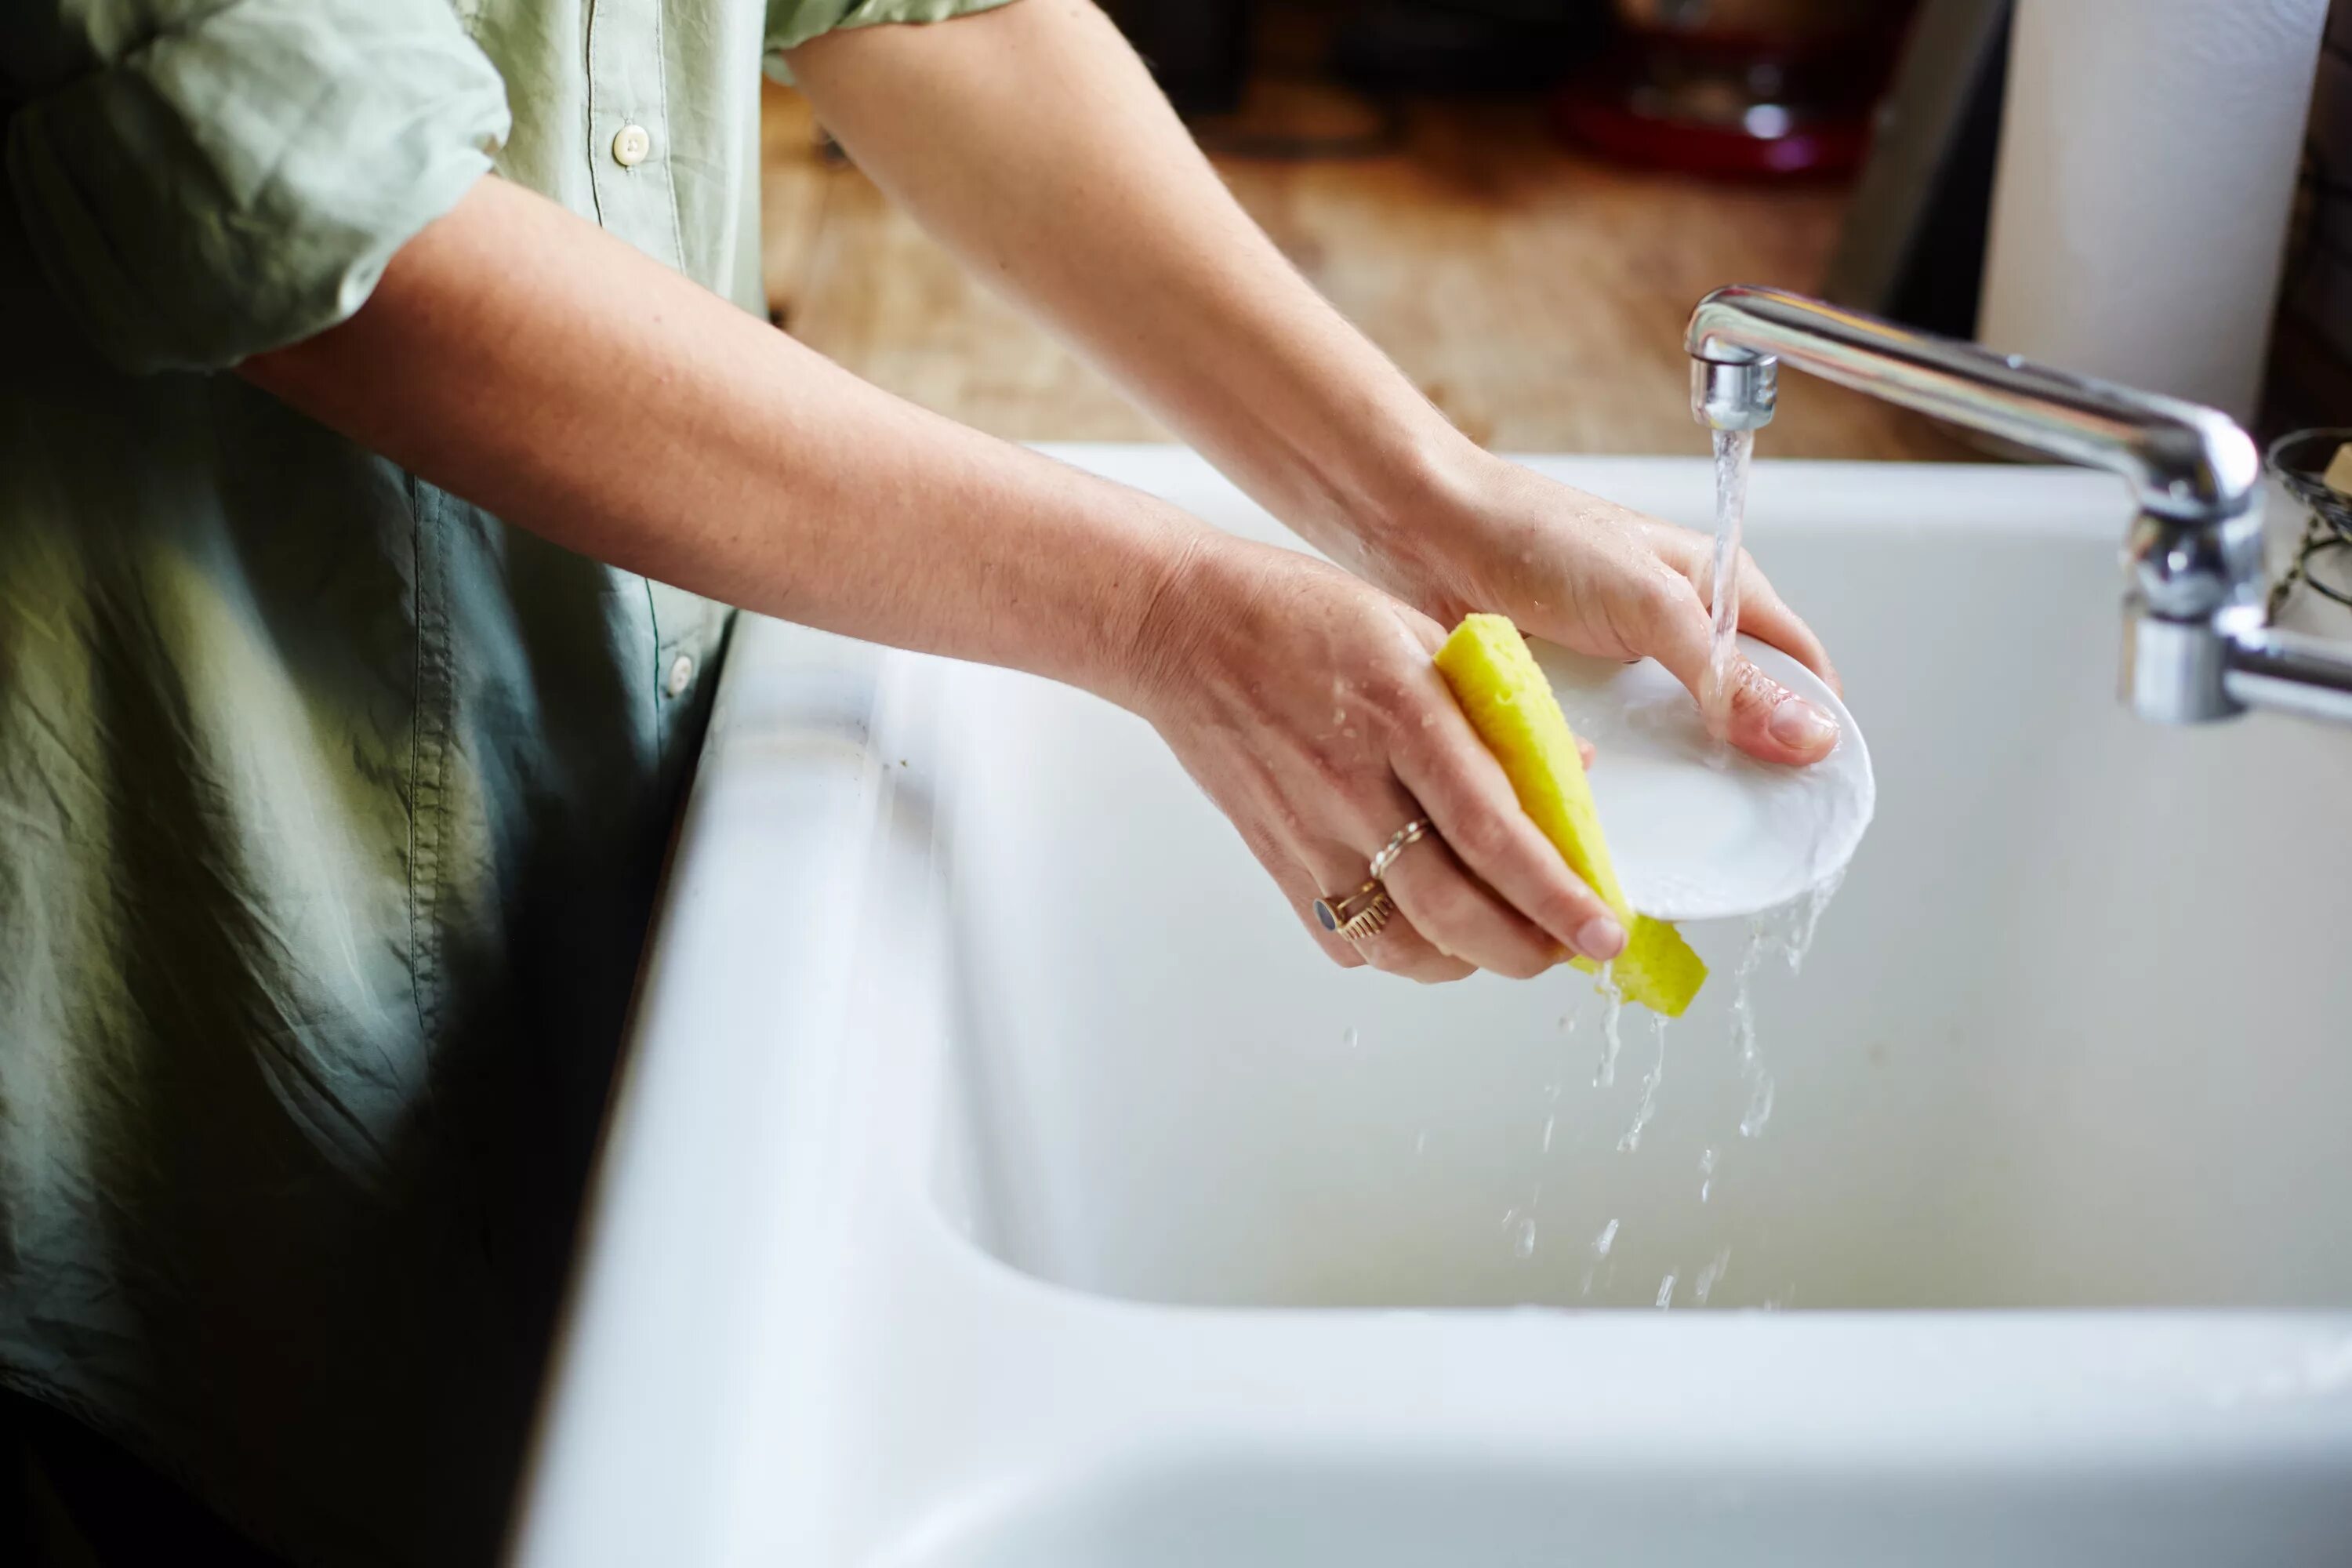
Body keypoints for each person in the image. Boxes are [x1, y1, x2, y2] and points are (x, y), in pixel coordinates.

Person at [0, 1, 1839, 1561]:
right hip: (176, 928)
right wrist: (1171, 616)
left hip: (571, 763)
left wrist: (1416, 492)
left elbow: (923, 9)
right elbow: (297, 206)